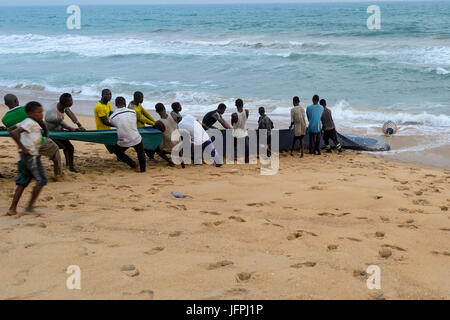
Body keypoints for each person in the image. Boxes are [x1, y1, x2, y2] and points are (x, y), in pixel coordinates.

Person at [2, 94, 62, 177]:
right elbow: (40, 121)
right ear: (16, 100)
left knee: (34, 155)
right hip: (37, 141)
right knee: (55, 150)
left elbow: (13, 130)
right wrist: (46, 130)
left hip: (24, 144)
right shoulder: (25, 110)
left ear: (6, 104)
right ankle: (58, 174)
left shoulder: (4, 119)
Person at [7, 102, 47, 216]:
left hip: (26, 156)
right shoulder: (29, 122)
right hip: (31, 156)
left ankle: (12, 208)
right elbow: (14, 132)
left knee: (23, 181)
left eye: (42, 112)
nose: (41, 114)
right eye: (39, 112)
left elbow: (11, 129)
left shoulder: (27, 121)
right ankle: (29, 207)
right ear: (30, 113)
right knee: (42, 180)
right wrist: (22, 147)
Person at [45, 93, 86, 172]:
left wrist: (79, 125)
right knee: (62, 147)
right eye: (71, 100)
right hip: (51, 133)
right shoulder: (55, 115)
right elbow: (67, 127)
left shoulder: (61, 104)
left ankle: (70, 167)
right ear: (66, 103)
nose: (72, 101)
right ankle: (59, 167)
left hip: (59, 130)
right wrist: (75, 130)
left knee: (70, 148)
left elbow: (69, 112)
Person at [110, 97, 146, 172]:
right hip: (136, 137)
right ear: (125, 103)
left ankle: (132, 164)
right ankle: (143, 170)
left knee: (118, 152)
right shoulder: (133, 112)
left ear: (116, 104)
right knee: (141, 152)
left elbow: (114, 124)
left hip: (124, 140)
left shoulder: (112, 116)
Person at [153, 103, 184, 167]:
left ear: (156, 111)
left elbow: (155, 129)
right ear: (165, 108)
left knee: (156, 148)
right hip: (179, 141)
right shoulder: (173, 115)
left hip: (170, 145)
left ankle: (169, 161)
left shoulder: (158, 123)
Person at [94, 89, 115, 153]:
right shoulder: (99, 106)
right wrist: (117, 125)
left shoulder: (108, 103)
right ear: (102, 95)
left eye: (110, 94)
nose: (109, 96)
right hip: (102, 131)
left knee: (115, 145)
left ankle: (119, 156)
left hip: (108, 129)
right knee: (114, 146)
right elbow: (105, 122)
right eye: (107, 94)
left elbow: (112, 114)